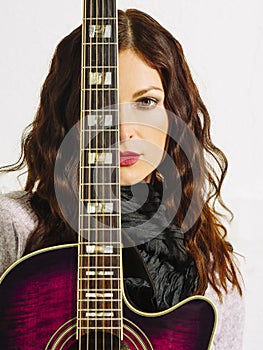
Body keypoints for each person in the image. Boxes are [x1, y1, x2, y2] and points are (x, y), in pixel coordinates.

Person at [0, 8, 244, 349]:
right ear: (70, 113)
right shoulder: (14, 227)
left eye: (146, 101)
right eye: (102, 106)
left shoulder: (211, 265)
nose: (124, 131)